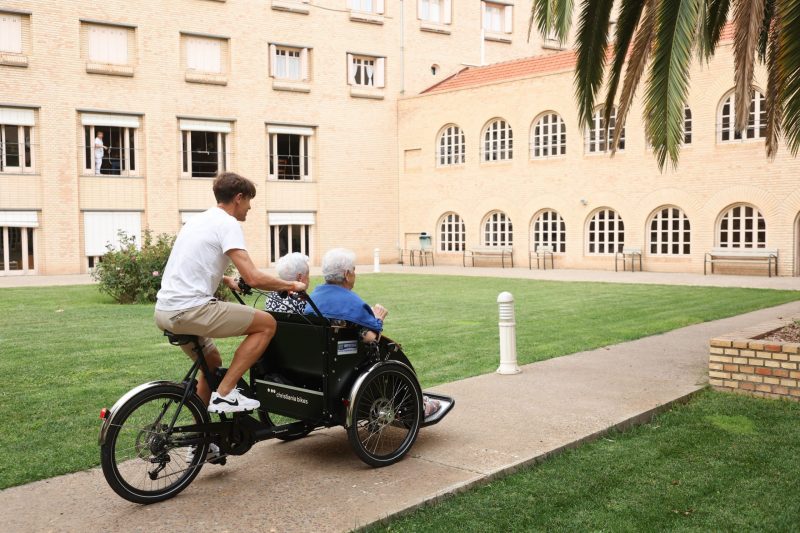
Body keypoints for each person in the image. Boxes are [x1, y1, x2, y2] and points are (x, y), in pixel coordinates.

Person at [155, 172, 306, 414]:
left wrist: (226, 279)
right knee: (266, 324)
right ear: (238, 198)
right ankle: (225, 394)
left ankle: (200, 441)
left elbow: (191, 265)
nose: (249, 208)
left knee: (211, 365)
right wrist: (290, 285)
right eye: (249, 201)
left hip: (165, 310)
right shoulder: (228, 223)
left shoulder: (197, 220)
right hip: (190, 309)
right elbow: (253, 277)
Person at [306, 248, 441, 417]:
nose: (355, 274)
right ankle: (418, 403)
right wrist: (378, 319)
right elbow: (372, 338)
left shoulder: (314, 297)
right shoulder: (351, 301)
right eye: (354, 270)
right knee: (389, 351)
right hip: (342, 363)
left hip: (316, 361)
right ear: (347, 274)